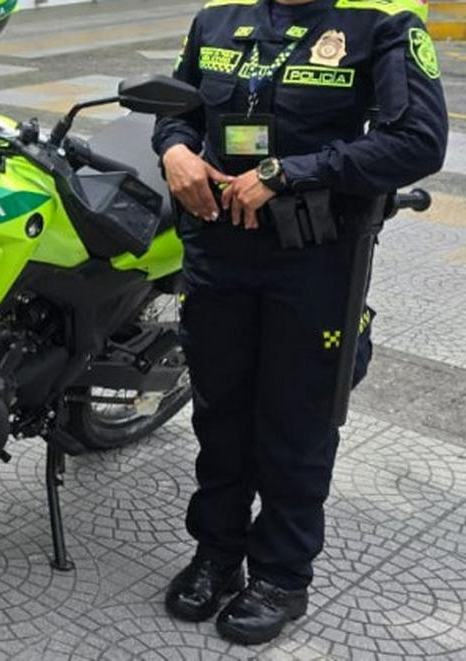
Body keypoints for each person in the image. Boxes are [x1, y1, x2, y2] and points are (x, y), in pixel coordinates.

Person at [153, 0, 447, 646]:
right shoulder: (218, 15)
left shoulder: (381, 17)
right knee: (220, 411)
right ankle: (217, 553)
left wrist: (288, 172)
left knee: (296, 419)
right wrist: (174, 149)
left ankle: (281, 575)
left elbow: (419, 139)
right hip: (218, 250)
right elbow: (178, 109)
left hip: (314, 257)